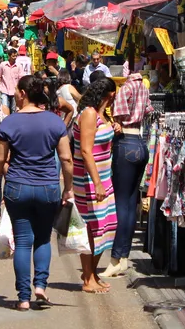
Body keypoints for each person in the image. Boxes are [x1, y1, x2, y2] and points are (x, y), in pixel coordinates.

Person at [0, 76, 74, 311]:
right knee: (44, 238)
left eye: (16, 90)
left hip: (17, 187)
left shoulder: (9, 123)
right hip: (48, 187)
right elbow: (66, 159)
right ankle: (40, 286)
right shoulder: (55, 123)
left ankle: (23, 297)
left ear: (24, 93)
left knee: (23, 242)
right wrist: (68, 187)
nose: (14, 93)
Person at [72, 78, 118, 294]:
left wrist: (113, 127)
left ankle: (91, 272)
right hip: (90, 180)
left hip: (103, 176)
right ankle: (88, 277)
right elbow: (86, 150)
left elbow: (101, 137)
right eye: (113, 96)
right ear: (107, 95)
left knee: (106, 225)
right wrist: (97, 182)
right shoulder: (89, 113)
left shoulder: (102, 113)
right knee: (92, 228)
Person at [105, 72, 154, 278]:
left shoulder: (127, 88)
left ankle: (116, 258)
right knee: (132, 202)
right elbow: (149, 110)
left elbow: (120, 113)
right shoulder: (143, 87)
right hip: (141, 144)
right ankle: (123, 257)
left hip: (126, 143)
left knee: (121, 203)